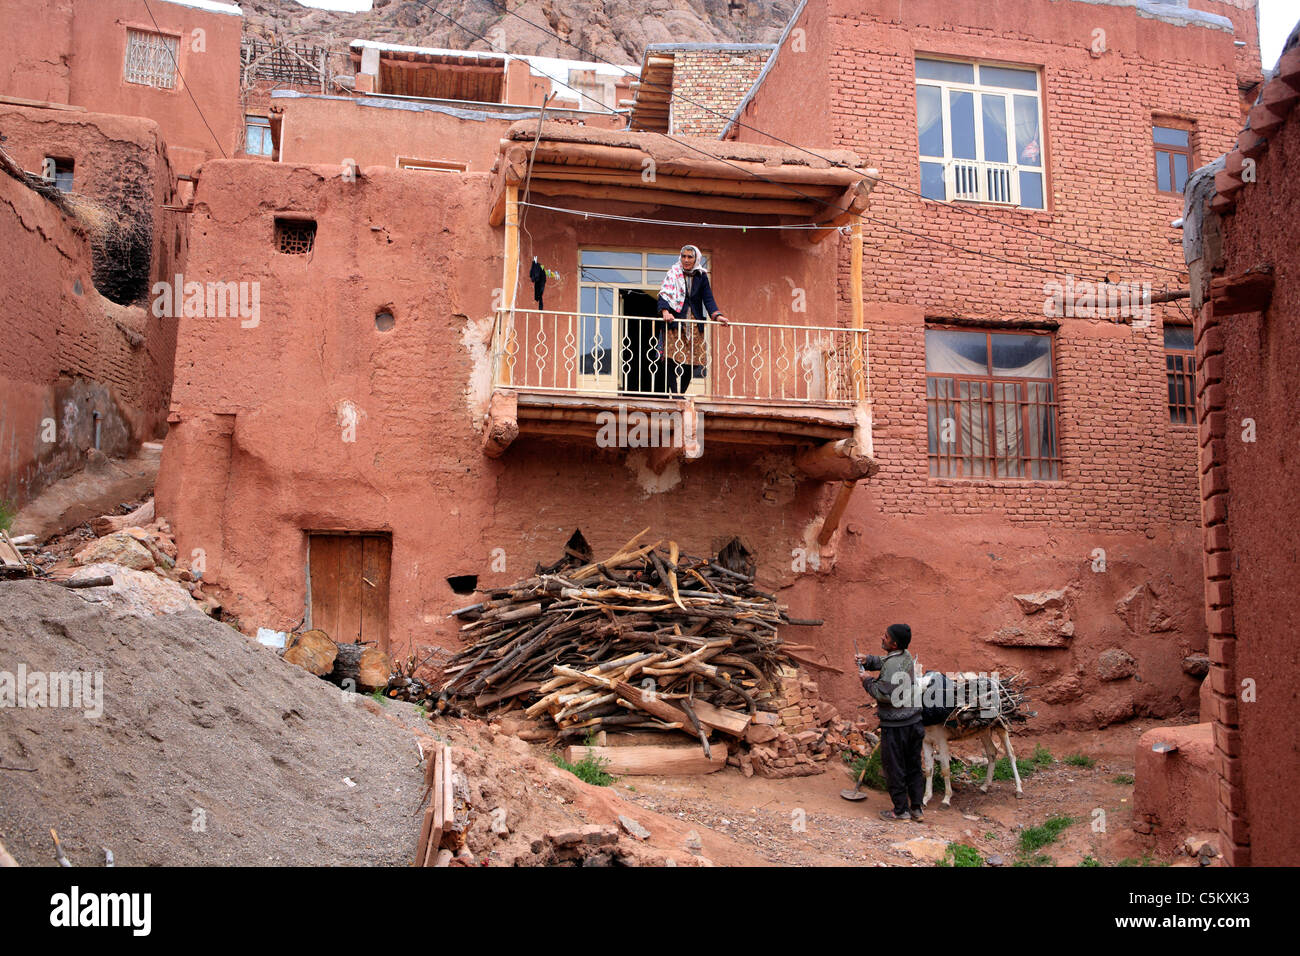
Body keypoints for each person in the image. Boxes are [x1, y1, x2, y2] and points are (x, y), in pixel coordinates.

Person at [858, 623, 925, 822]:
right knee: (913, 765)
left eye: (885, 637)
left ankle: (900, 810)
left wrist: (866, 680)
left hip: (897, 727)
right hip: (914, 722)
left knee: (894, 766)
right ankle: (916, 809)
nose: (882, 637)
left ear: (894, 644)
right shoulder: (904, 655)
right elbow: (887, 662)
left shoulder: (894, 663)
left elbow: (883, 694)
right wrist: (868, 660)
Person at [655, 245, 729, 396]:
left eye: (690, 257)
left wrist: (717, 315)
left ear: (697, 259)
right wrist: (665, 311)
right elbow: (664, 294)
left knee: (692, 360)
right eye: (684, 256)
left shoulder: (701, 277)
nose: (686, 260)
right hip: (674, 322)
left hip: (694, 323)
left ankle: (681, 393)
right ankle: (675, 392)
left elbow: (708, 299)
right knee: (670, 358)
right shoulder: (673, 273)